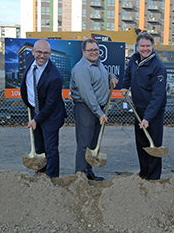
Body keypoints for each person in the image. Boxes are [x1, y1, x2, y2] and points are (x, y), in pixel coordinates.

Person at [121, 32, 167, 180]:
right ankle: (144, 171)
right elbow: (128, 73)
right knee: (141, 142)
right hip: (138, 109)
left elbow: (158, 96)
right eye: (142, 46)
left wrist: (148, 117)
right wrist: (125, 86)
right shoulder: (134, 59)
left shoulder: (158, 67)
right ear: (137, 46)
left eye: (148, 46)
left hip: (153, 112)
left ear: (152, 47)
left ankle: (153, 176)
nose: (145, 49)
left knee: (153, 144)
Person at [70, 39, 118, 181]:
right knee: (84, 144)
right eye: (90, 50)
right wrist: (100, 114)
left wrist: (112, 76)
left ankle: (88, 173)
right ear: (83, 52)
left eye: (96, 49)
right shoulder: (81, 69)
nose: (94, 52)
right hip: (86, 109)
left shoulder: (97, 63)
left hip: (96, 109)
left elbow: (103, 74)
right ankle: (80, 177)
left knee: (92, 143)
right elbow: (88, 95)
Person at [20, 39, 66, 178]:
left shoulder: (55, 76)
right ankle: (42, 170)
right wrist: (31, 106)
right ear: (33, 52)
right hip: (35, 108)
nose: (42, 56)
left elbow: (50, 105)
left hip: (51, 115)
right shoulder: (29, 60)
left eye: (46, 53)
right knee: (39, 145)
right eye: (39, 52)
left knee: (50, 148)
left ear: (50, 54)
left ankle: (52, 178)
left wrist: (36, 120)